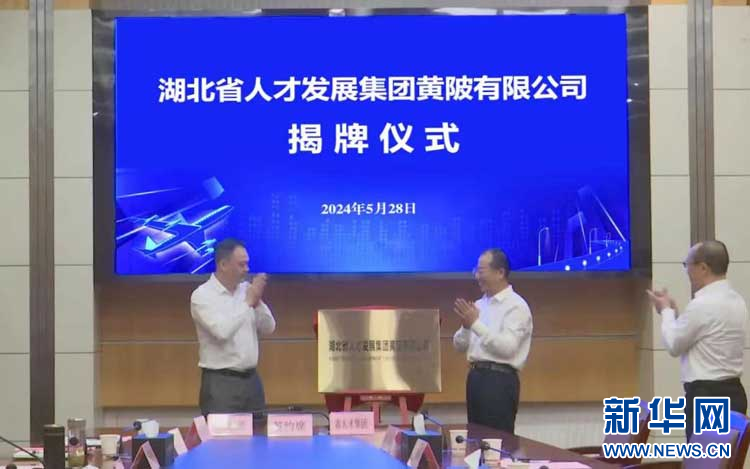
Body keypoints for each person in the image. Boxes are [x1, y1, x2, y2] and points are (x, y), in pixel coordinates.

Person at [648, 240, 748, 440]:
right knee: (726, 457)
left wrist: (666, 311)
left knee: (704, 457)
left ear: (703, 268)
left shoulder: (703, 304)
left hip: (707, 397)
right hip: (734, 394)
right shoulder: (737, 300)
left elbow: (674, 345)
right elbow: (698, 336)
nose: (686, 270)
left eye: (688, 264)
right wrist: (674, 315)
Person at [190, 238, 276, 416]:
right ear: (223, 264)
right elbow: (222, 332)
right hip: (220, 383)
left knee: (258, 432)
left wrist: (257, 302)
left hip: (252, 381)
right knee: (222, 434)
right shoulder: (202, 296)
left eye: (247, 264)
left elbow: (269, 328)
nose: (247, 269)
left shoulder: (247, 291)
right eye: (241, 265)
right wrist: (248, 303)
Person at [452, 248, 533, 433]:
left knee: (498, 441)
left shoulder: (516, 306)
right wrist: (466, 326)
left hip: (500, 381)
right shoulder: (479, 305)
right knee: (476, 438)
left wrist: (475, 324)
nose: (477, 276)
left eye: (481, 271)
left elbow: (507, 348)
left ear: (500, 272)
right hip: (475, 378)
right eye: (476, 271)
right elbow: (459, 346)